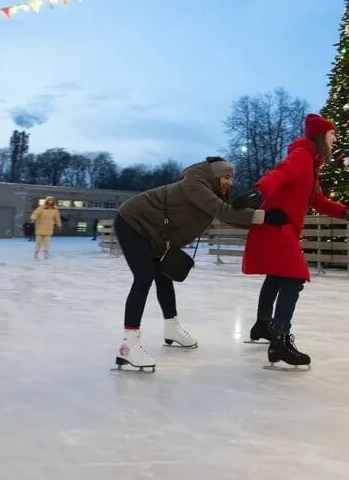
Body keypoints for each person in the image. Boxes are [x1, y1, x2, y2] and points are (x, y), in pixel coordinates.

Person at [113, 157, 266, 373]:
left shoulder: (211, 191)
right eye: (226, 177)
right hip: (133, 222)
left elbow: (227, 216)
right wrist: (261, 217)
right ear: (215, 175)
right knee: (144, 277)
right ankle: (128, 346)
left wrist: (263, 220)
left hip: (155, 232)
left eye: (231, 178)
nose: (229, 183)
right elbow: (222, 211)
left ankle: (172, 328)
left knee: (163, 277)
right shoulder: (195, 184)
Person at [239, 114, 349, 369]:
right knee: (294, 277)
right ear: (320, 136)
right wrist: (260, 191)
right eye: (332, 134)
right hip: (277, 227)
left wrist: (340, 210)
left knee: (278, 277)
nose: (335, 138)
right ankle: (279, 340)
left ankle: (263, 324)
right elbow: (279, 174)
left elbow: (317, 199)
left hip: (283, 229)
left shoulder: (312, 163)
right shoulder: (302, 156)